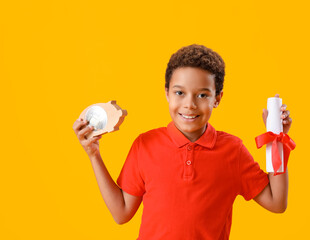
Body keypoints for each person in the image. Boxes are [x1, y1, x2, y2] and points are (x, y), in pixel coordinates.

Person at [73, 44, 293, 240]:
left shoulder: (232, 150)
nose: (190, 104)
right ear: (167, 93)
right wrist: (94, 154)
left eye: (203, 95)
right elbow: (121, 213)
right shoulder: (145, 145)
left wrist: (276, 141)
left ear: (217, 98)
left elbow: (276, 202)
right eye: (180, 92)